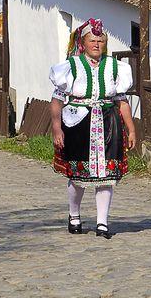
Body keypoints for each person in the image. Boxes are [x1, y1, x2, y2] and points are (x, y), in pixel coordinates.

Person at [50, 19, 136, 239]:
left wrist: (131, 129)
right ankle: (74, 214)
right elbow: (57, 100)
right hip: (79, 123)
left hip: (108, 122)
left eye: (100, 40)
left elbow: (122, 101)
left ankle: (102, 223)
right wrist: (57, 129)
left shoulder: (115, 67)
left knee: (107, 174)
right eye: (92, 40)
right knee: (79, 174)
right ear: (84, 42)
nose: (97, 44)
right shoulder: (71, 65)